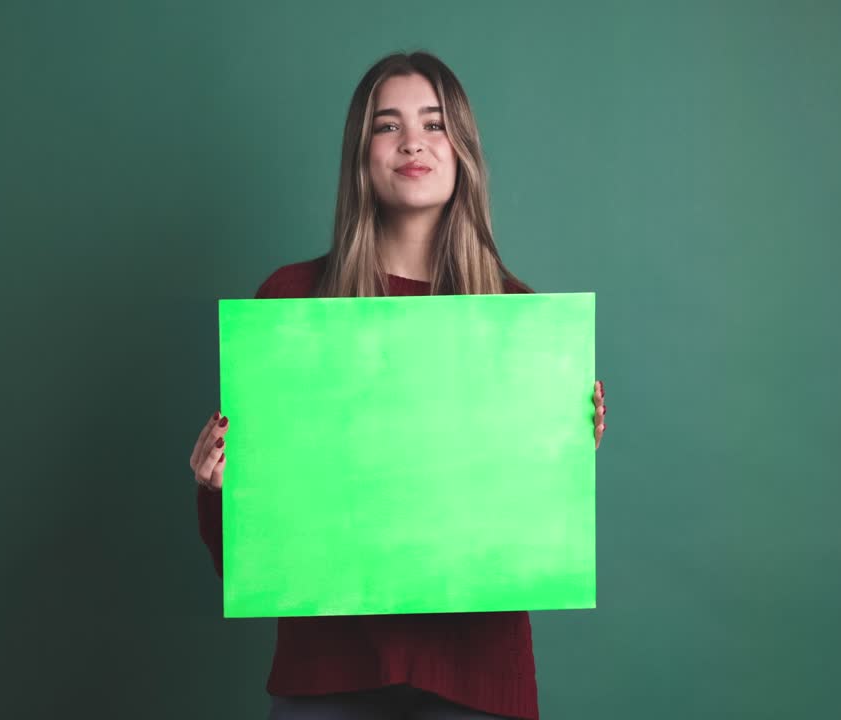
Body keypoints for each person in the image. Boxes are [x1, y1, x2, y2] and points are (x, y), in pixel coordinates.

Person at [189, 51, 607, 720]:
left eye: (434, 123)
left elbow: (520, 524)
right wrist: (215, 487)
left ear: (462, 149)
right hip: (326, 676)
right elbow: (243, 554)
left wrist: (561, 447)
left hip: (476, 678)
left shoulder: (520, 320)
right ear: (360, 155)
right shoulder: (290, 303)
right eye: (387, 126)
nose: (412, 141)